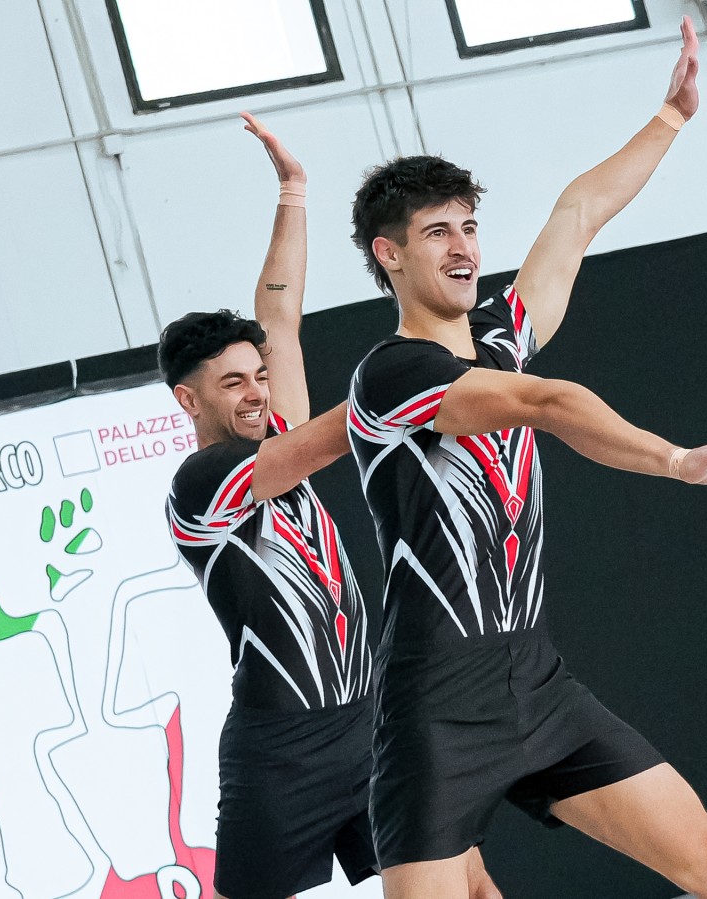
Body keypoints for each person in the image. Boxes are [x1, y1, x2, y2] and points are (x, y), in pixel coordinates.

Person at [346, 17, 707, 899]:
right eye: (437, 233)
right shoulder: (392, 376)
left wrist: (670, 117)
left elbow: (577, 212)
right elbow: (546, 404)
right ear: (389, 255)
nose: (464, 248)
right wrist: (676, 460)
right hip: (436, 705)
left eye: (470, 227)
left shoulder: (502, 338)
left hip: (537, 682)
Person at [163, 115, 500, 899]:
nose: (257, 392)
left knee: (470, 882)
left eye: (259, 376)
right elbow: (329, 438)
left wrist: (293, 190)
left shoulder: (276, 429)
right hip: (282, 752)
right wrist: (407, 387)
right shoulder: (202, 484)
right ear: (189, 399)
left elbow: (278, 315)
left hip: (370, 723)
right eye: (233, 383)